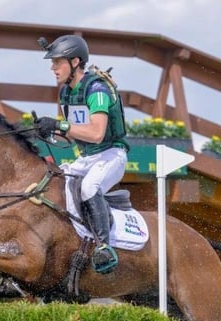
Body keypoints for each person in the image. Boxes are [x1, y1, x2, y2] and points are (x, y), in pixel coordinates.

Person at [35, 34, 129, 274]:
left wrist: (59, 125)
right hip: (87, 157)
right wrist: (48, 131)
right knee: (55, 180)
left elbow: (96, 133)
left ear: (75, 62)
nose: (53, 68)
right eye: (53, 63)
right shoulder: (66, 93)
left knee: (88, 187)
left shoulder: (97, 89)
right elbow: (73, 133)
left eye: (57, 62)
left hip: (112, 154)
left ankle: (104, 247)